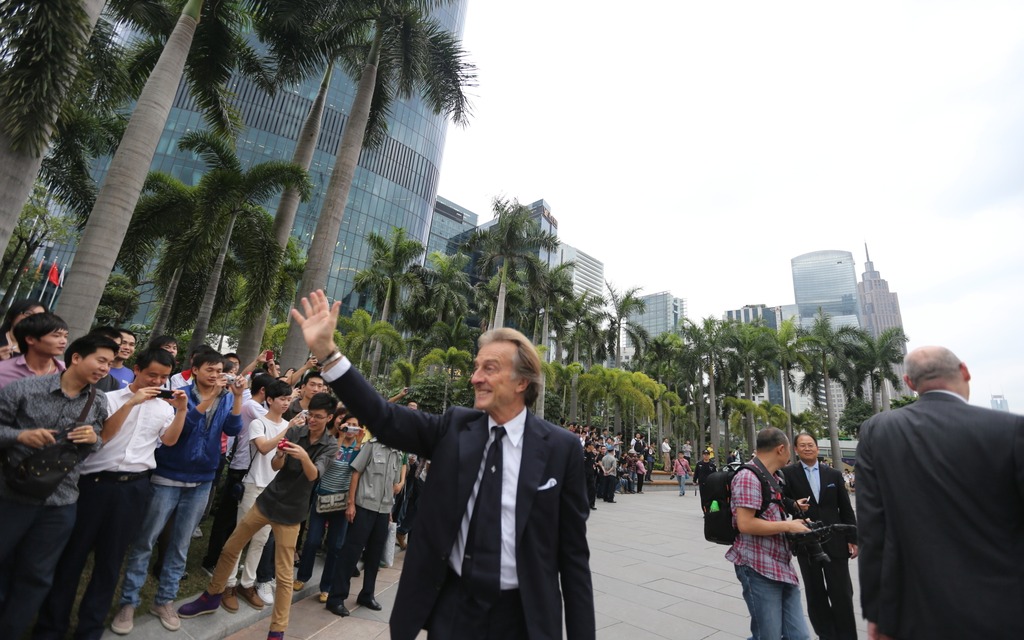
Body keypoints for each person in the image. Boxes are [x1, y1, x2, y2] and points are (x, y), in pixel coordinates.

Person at [291, 289, 595, 640]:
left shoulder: (562, 448)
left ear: (522, 382)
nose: (475, 377)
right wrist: (329, 355)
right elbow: (384, 417)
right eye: (476, 367)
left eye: (489, 368)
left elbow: (573, 557)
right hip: (453, 609)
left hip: (523, 616)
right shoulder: (453, 428)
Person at [857, 346, 1024, 640]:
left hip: (915, 611)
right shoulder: (1011, 429)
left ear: (909, 383)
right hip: (1004, 609)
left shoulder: (878, 431)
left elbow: (873, 529)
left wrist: (879, 614)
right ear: (965, 370)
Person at [33, 348, 188, 640]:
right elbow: (102, 437)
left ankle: (89, 629)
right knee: (72, 558)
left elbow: (169, 441)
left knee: (110, 561)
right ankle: (50, 628)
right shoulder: (106, 399)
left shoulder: (165, 408)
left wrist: (181, 411)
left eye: (164, 377)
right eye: (151, 374)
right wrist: (132, 403)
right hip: (94, 485)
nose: (157, 380)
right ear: (136, 370)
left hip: (134, 488)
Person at [177, 390, 336, 640]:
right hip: (267, 501)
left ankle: (277, 631)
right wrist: (282, 455)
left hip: (291, 513)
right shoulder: (296, 431)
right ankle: (212, 596)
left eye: (318, 416)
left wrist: (304, 455)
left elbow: (314, 475)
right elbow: (275, 466)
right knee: (230, 548)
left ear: (329, 418)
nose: (312, 420)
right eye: (310, 415)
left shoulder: (330, 445)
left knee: (283, 576)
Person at [112, 351, 246, 635]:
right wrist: (212, 398)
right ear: (194, 370)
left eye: (219, 370)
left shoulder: (225, 397)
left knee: (181, 543)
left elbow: (233, 429)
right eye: (209, 369)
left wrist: (235, 398)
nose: (215, 375)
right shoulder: (177, 395)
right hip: (167, 476)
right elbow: (181, 433)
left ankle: (165, 600)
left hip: (203, 480)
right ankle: (128, 602)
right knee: (145, 541)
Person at [0, 333, 115, 638]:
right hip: (12, 495)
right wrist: (19, 437)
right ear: (76, 357)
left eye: (110, 364)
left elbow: (97, 442)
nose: (105, 368)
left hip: (60, 503)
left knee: (37, 576)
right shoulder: (26, 389)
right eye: (101, 360)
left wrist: (94, 439)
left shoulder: (98, 400)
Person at [726, 428, 812, 640]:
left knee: (799, 636)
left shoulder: (774, 477)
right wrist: (788, 526)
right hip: (757, 566)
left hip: (780, 563)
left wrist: (795, 522)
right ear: (781, 449)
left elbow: (771, 512)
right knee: (768, 636)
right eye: (790, 449)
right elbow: (745, 524)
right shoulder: (748, 476)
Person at [323, 419, 405, 617]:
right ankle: (336, 598)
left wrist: (389, 513)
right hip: (363, 507)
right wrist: (351, 504)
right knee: (351, 552)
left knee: (375, 555)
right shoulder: (372, 446)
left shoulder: (397, 453)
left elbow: (392, 487)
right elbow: (356, 473)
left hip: (383, 510)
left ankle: (367, 594)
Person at [781, 432, 858, 640]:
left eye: (811, 445)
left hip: (835, 539)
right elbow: (780, 499)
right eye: (802, 445)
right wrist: (793, 504)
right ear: (795, 450)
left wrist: (853, 537)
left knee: (842, 592)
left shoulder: (832, 474)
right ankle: (826, 635)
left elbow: (845, 507)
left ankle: (847, 635)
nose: (807, 448)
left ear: (817, 447)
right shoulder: (788, 473)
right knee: (815, 593)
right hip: (807, 540)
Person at [295, 409, 362, 602]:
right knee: (312, 540)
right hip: (322, 498)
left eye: (355, 426)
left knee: (335, 546)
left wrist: (358, 440)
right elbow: (329, 462)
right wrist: (340, 437)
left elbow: (356, 473)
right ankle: (302, 577)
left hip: (342, 504)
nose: (351, 429)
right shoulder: (332, 443)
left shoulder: (360, 449)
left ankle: (327, 587)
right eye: (348, 425)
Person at [0, 311, 68, 387]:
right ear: (30, 339)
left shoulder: (66, 371)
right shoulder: (3, 370)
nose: (64, 341)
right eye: (56, 336)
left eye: (65, 336)